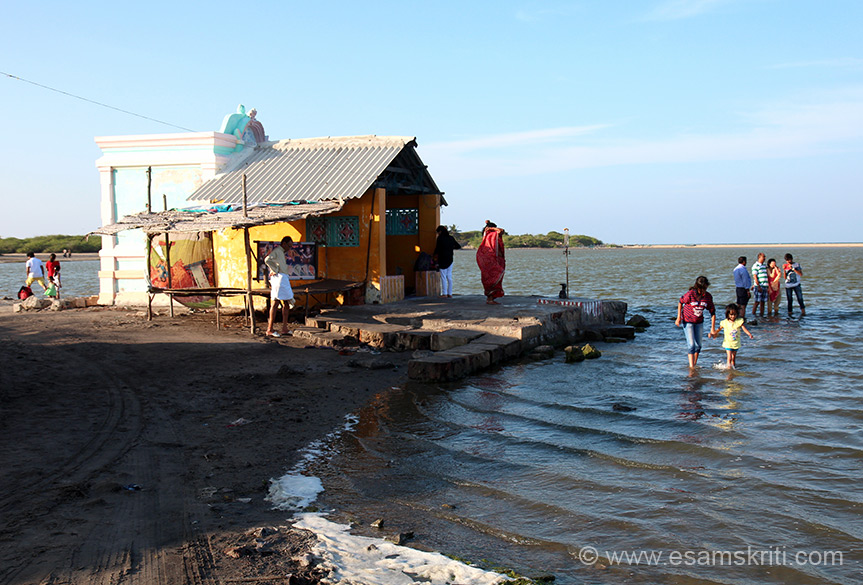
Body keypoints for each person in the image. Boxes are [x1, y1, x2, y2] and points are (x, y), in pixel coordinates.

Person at [675, 276, 716, 369]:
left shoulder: (708, 297)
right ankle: (691, 367)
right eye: (703, 288)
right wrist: (678, 318)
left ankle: (694, 364)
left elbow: (713, 312)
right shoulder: (690, 294)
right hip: (688, 321)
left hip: (699, 322)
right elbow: (680, 302)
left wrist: (712, 328)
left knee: (698, 346)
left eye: (706, 288)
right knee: (691, 345)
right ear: (698, 287)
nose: (704, 291)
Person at [264, 236, 296, 337]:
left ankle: (284, 328)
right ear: (284, 244)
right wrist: (275, 269)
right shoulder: (278, 250)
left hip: (282, 278)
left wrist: (275, 269)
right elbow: (267, 259)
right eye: (289, 246)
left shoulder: (281, 252)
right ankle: (270, 329)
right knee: (276, 302)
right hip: (280, 279)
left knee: (286, 303)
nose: (289, 249)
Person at [710, 303, 753, 369]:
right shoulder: (725, 322)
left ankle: (733, 370)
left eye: (734, 314)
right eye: (731, 315)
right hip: (728, 343)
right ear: (728, 314)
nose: (733, 316)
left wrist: (749, 334)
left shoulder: (738, 321)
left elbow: (744, 329)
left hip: (736, 343)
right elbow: (718, 329)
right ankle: (729, 370)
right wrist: (713, 333)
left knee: (733, 358)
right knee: (729, 357)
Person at [476, 220, 505, 305]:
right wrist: (491, 228)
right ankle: (490, 298)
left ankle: (490, 298)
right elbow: (501, 230)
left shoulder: (487, 236)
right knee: (492, 278)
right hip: (490, 260)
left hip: (487, 260)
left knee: (491, 278)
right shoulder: (491, 235)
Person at [433, 225, 461, 298]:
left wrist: (434, 256)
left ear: (440, 232)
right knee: (449, 276)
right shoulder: (451, 238)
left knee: (443, 277)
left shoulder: (440, 238)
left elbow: (437, 249)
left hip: (442, 259)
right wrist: (451, 247)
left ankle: (444, 293)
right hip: (450, 259)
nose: (438, 234)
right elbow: (458, 246)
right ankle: (450, 293)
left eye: (438, 232)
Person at [750, 252, 768, 317]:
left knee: (763, 302)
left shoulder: (764, 266)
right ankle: (753, 314)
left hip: (765, 285)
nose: (765, 258)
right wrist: (758, 285)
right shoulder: (756, 265)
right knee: (757, 301)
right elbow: (755, 276)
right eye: (763, 257)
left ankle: (761, 315)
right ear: (759, 257)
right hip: (759, 286)